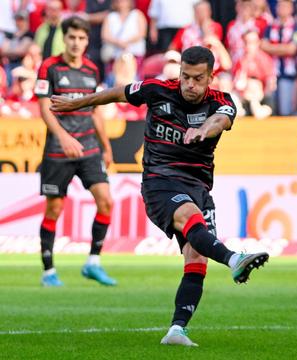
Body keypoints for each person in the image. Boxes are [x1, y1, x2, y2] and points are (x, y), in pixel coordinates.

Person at [49, 45, 270, 346]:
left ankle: (177, 330)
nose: (190, 85)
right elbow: (114, 94)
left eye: (197, 79)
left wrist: (204, 128)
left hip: (199, 186)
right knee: (192, 219)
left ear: (210, 77)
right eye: (185, 77)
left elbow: (221, 120)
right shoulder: (156, 89)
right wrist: (77, 104)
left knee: (197, 256)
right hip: (160, 181)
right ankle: (233, 259)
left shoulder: (223, 102)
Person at [34, 16, 117, 287]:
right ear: (64, 38)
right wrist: (63, 137)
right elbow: (44, 107)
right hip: (59, 150)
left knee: (106, 200)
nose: (76, 43)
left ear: (87, 41)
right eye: (71, 37)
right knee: (54, 209)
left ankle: (93, 262)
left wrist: (106, 147)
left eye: (81, 39)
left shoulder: (92, 70)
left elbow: (95, 112)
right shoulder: (50, 67)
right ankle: (48, 272)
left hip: (89, 148)